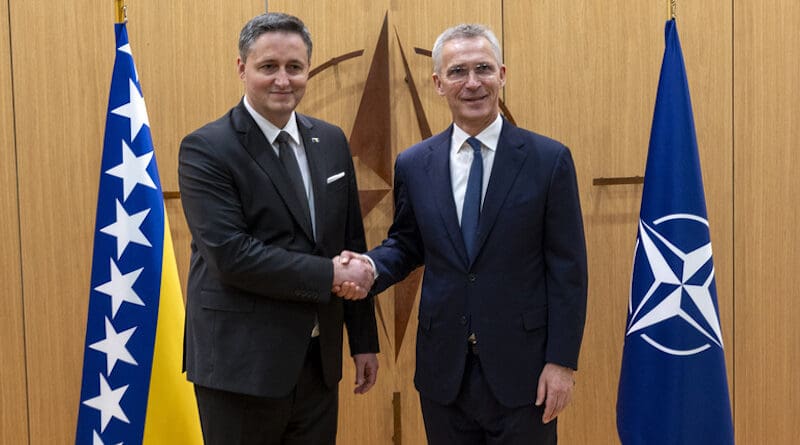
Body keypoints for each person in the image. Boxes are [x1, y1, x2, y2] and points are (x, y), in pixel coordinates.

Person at [338, 23, 587, 444]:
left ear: (502, 75)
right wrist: (370, 267)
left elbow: (569, 272)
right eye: (457, 72)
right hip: (444, 373)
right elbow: (406, 242)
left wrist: (561, 363)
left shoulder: (549, 160)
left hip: (524, 375)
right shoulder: (415, 163)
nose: (472, 83)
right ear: (438, 83)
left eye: (483, 69)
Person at [178, 12, 379, 445]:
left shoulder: (331, 140)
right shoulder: (207, 149)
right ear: (241, 68)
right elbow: (232, 255)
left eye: (295, 67)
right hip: (240, 368)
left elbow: (350, 244)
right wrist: (331, 275)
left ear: (309, 68)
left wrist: (363, 340)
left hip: (317, 366)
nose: (283, 80)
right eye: (268, 67)